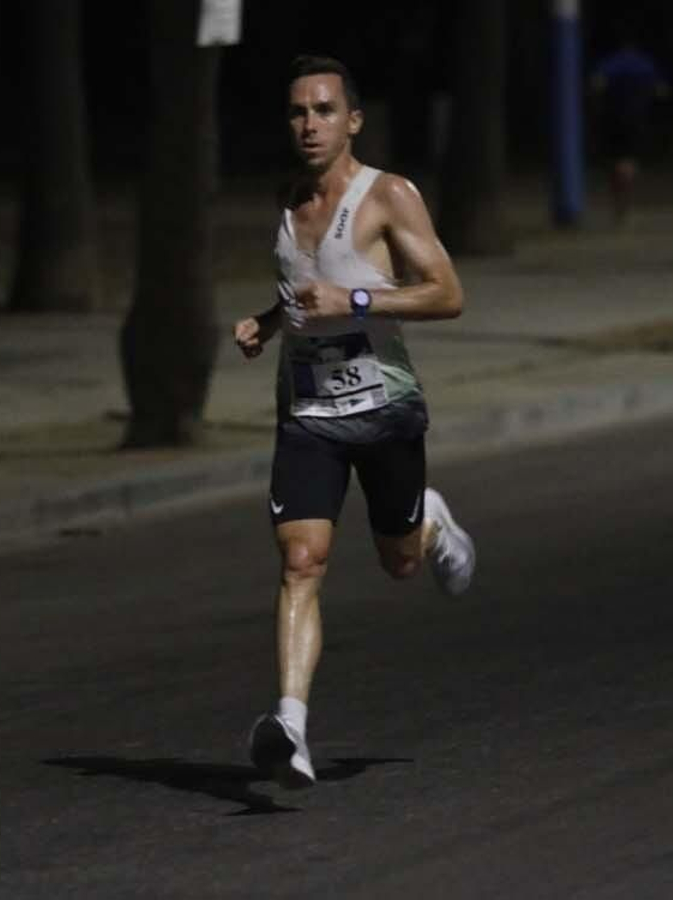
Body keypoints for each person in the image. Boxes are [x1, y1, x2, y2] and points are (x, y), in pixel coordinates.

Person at [231, 56, 477, 789]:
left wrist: (359, 304)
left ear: (354, 121)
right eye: (299, 112)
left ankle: (427, 522)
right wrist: (270, 323)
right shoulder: (286, 198)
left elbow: (447, 295)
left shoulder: (389, 196)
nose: (310, 124)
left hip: (385, 408)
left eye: (325, 110)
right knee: (300, 562)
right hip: (308, 412)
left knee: (398, 562)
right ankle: (292, 728)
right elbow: (307, 293)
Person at [589, 30, 670, 227]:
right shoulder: (645, 64)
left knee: (616, 161)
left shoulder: (611, 63)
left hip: (614, 118)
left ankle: (619, 202)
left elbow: (596, 85)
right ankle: (625, 196)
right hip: (637, 118)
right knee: (630, 160)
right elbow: (662, 91)